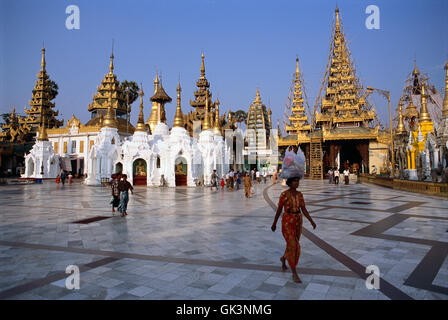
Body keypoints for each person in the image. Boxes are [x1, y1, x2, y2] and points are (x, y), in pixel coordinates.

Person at [271, 176, 317, 283]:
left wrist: (311, 221)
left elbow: (303, 209)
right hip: (287, 221)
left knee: (293, 244)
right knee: (295, 246)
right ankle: (294, 273)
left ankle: (283, 258)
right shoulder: (284, 195)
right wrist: (274, 223)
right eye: (295, 181)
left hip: (298, 221)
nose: (297, 183)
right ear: (290, 183)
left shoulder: (300, 194)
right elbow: (279, 210)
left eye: (298, 181)